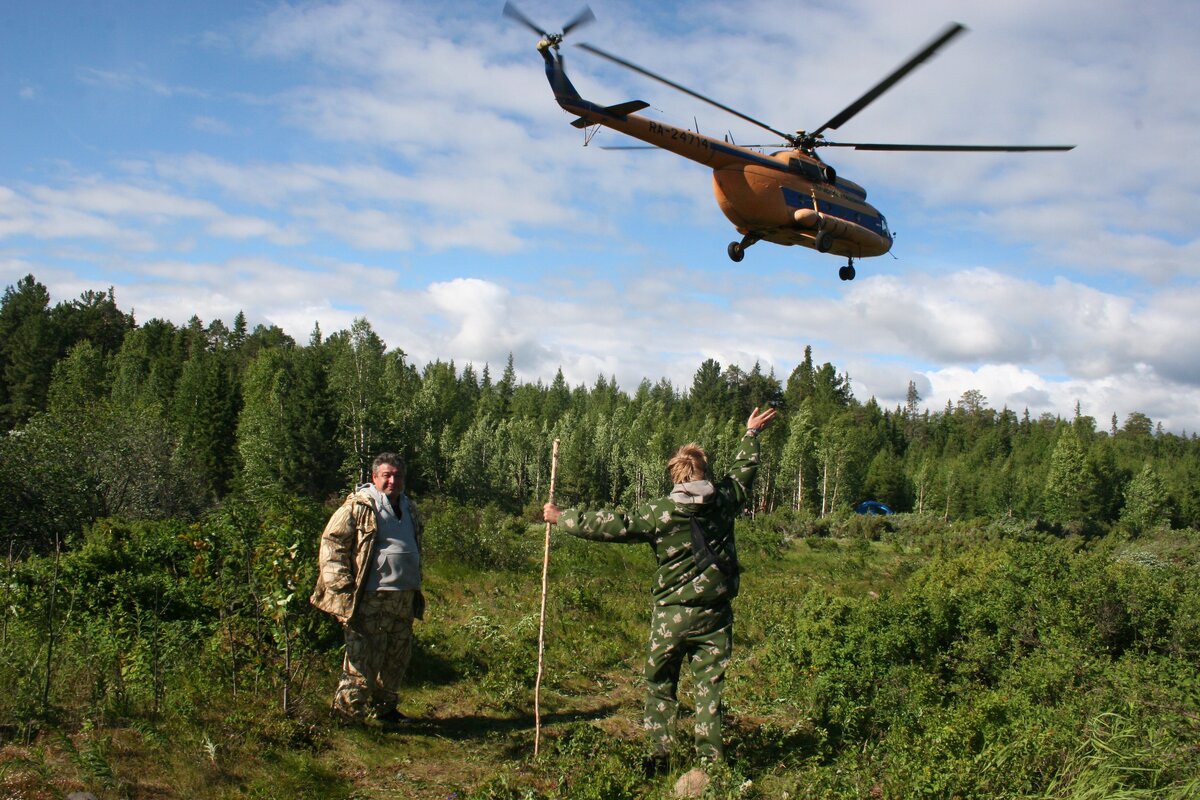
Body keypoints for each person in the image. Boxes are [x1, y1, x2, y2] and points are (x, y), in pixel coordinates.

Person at [543, 406, 777, 767]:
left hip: (670, 617)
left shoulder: (660, 512)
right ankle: (711, 766)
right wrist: (750, 435)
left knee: (660, 687)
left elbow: (612, 524)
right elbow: (743, 473)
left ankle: (659, 759)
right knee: (708, 692)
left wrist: (562, 517)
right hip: (715, 615)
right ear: (705, 472)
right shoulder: (725, 501)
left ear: (675, 476)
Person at [310, 452, 425, 725]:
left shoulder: (409, 508)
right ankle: (347, 717)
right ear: (374, 478)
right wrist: (341, 586)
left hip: (404, 596)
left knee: (397, 655)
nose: (392, 481)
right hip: (369, 597)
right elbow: (332, 544)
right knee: (361, 656)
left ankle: (385, 710)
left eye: (397, 476)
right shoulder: (359, 507)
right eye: (386, 475)